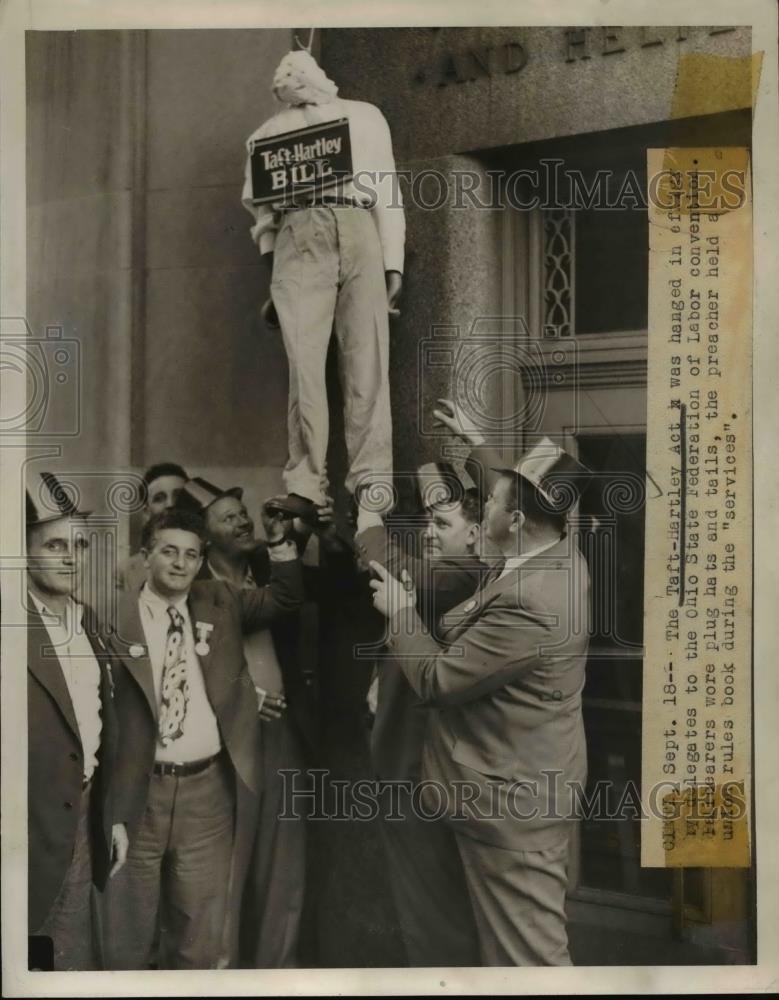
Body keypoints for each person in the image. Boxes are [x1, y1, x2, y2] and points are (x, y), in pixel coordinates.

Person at [369, 402, 592, 966]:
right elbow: (514, 494)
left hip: (509, 809)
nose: (483, 497)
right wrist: (477, 439)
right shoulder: (554, 550)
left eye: (490, 501)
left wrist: (400, 613)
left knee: (531, 964)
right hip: (513, 789)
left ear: (512, 522)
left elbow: (439, 680)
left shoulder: (532, 602)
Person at [104, 505, 303, 969]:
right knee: (128, 936)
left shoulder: (220, 600)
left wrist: (280, 544)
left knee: (201, 937)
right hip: (141, 794)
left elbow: (286, 599)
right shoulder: (113, 618)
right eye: (168, 552)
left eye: (191, 555)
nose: (180, 564)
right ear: (145, 555)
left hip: (207, 795)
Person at [241, 48, 405, 513]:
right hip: (299, 232)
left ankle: (372, 486)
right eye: (284, 81)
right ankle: (307, 485)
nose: (292, 84)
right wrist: (274, 273)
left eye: (297, 75)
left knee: (368, 359)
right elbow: (263, 216)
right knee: (304, 365)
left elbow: (387, 191)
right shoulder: (267, 134)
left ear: (318, 75)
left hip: (358, 226)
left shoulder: (365, 117)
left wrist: (393, 262)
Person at [352, 462, 488, 966]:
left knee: (432, 912)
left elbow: (398, 569)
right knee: (426, 907)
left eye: (442, 523)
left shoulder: (466, 573)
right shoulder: (455, 570)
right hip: (412, 765)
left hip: (423, 772)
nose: (429, 532)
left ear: (476, 534)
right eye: (427, 521)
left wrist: (368, 518)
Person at [180, 477, 317, 968]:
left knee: (285, 869)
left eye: (242, 511)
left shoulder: (263, 567)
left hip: (281, 737)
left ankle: (276, 973)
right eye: (227, 516)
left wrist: (285, 538)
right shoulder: (198, 588)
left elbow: (300, 593)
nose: (242, 520)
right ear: (204, 535)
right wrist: (239, 696)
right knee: (232, 870)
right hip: (229, 743)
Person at [26, 472, 133, 969]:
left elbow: (102, 727)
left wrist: (109, 812)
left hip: (85, 812)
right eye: (55, 545)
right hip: (29, 827)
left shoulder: (88, 620)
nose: (72, 557)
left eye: (80, 545)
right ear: (24, 551)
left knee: (74, 956)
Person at [115, 462, 189, 593]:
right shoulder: (127, 573)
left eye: (179, 496)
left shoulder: (214, 561)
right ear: (146, 513)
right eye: (159, 499)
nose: (170, 504)